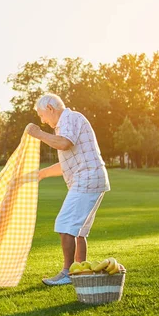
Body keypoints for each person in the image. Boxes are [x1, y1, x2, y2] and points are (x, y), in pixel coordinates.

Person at [26, 93, 110, 286]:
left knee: (65, 224)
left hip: (87, 178)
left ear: (50, 109)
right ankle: (80, 270)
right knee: (79, 231)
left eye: (42, 115)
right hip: (92, 178)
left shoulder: (70, 118)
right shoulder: (66, 124)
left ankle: (67, 273)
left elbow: (64, 143)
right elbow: (67, 161)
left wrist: (38, 133)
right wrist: (41, 174)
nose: (42, 120)